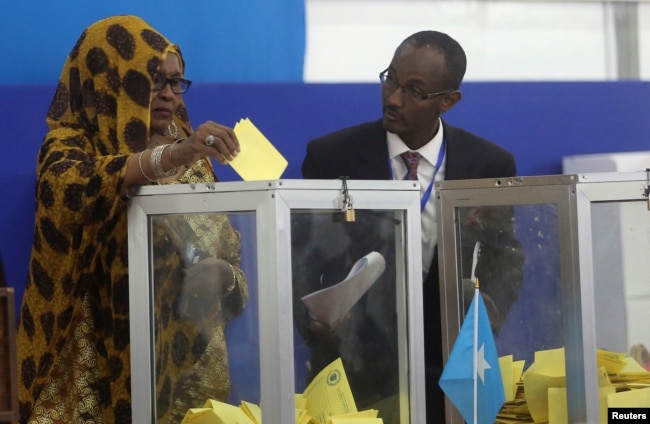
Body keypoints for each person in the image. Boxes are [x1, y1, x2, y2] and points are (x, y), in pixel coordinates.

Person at [15, 15, 248, 423]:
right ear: (111, 82)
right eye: (154, 79)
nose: (170, 95)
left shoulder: (193, 158)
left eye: (177, 82)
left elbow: (235, 263)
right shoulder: (69, 145)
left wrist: (224, 278)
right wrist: (170, 157)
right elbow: (77, 189)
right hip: (90, 387)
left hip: (189, 382)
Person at [298, 30, 524, 422]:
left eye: (414, 91)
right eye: (391, 79)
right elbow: (301, 257)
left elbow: (506, 256)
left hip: (451, 366)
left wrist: (489, 312)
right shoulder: (331, 157)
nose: (393, 98)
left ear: (448, 101)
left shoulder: (488, 165)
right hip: (353, 365)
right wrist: (315, 320)